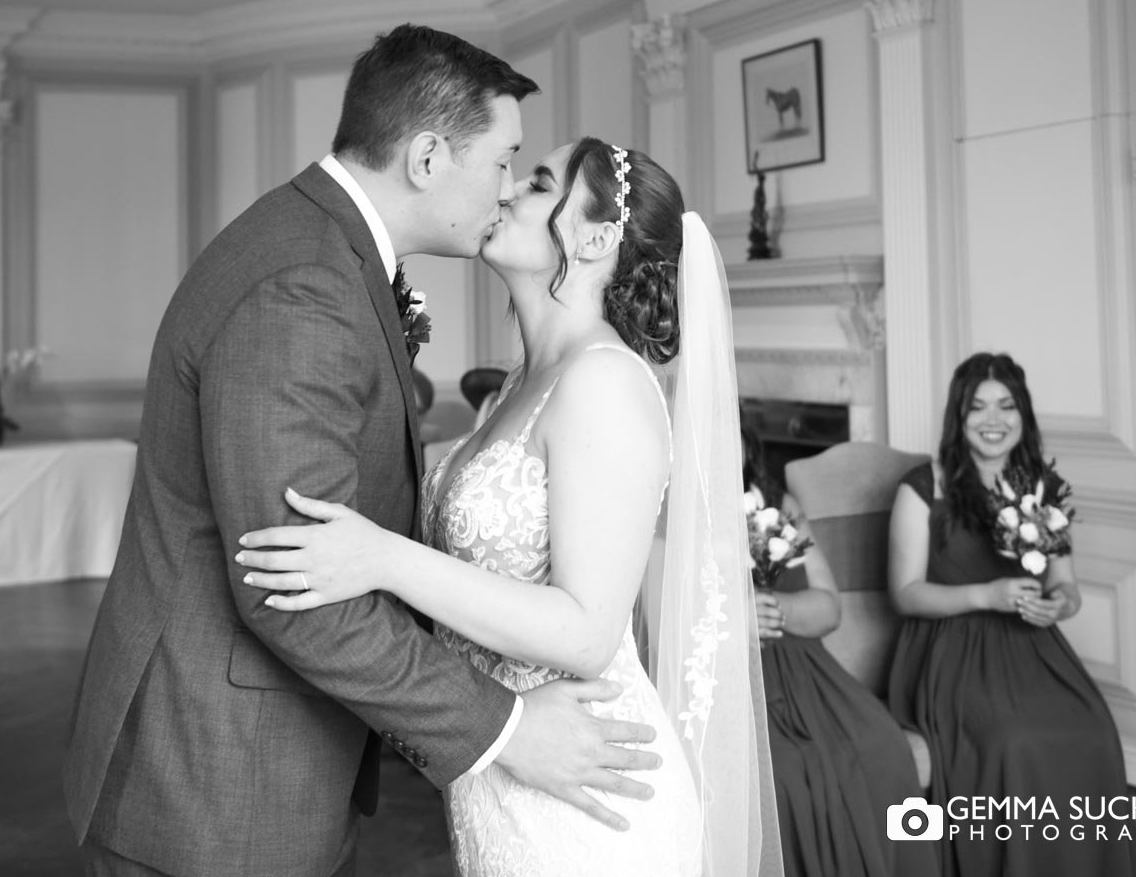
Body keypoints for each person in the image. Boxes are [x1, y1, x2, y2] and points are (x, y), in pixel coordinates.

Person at [64, 26, 665, 877]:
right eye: (504, 163)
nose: (503, 190)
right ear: (426, 158)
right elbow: (293, 585)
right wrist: (505, 726)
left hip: (275, 767)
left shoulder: (321, 255)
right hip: (216, 780)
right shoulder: (304, 285)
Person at [238, 138, 781, 876]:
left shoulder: (606, 383)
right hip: (503, 777)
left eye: (538, 183)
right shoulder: (517, 386)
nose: (505, 189)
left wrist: (383, 558)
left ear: (593, 236)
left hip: (592, 800)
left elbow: (589, 632)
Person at [884, 352, 1136, 877]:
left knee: (1093, 729)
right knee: (1012, 741)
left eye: (1006, 406)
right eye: (977, 408)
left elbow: (1066, 586)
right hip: (948, 648)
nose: (993, 419)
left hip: (1030, 643)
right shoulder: (922, 486)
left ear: (1023, 414)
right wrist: (988, 595)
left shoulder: (1041, 486)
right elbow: (905, 594)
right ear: (958, 418)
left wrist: (1056, 606)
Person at [743, 424, 936, 877]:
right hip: (736, 681)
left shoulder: (777, 505)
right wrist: (733, 620)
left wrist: (773, 608)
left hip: (809, 670)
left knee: (886, 746)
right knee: (788, 776)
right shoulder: (662, 513)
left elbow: (828, 609)